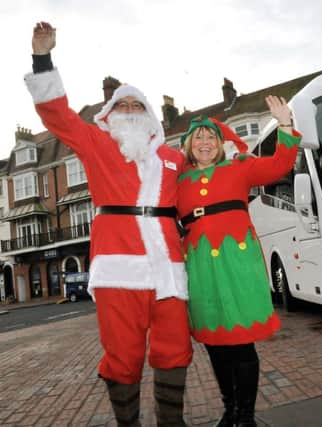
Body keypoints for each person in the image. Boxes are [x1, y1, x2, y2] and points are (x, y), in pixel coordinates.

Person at [27, 22, 192, 426]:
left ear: (151, 117)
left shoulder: (173, 159)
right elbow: (57, 114)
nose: (131, 112)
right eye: (123, 106)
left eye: (138, 107)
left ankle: (172, 422)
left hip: (169, 268)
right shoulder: (96, 144)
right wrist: (42, 58)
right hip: (118, 268)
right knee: (123, 354)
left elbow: (203, 191)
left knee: (174, 347)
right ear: (109, 115)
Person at [176, 99, 301, 427]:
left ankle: (245, 416)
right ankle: (229, 409)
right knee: (215, 344)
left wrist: (285, 124)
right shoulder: (178, 180)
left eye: (211, 138)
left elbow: (280, 165)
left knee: (241, 342)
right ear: (189, 145)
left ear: (220, 144)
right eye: (198, 138)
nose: (205, 143)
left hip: (238, 261)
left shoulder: (239, 167)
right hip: (200, 266)